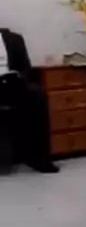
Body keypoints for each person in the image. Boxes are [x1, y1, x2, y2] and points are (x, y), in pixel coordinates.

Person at [0, 28, 58, 173]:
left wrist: (19, 76)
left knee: (37, 95)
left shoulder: (13, 39)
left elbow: (26, 68)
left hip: (11, 83)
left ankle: (39, 158)